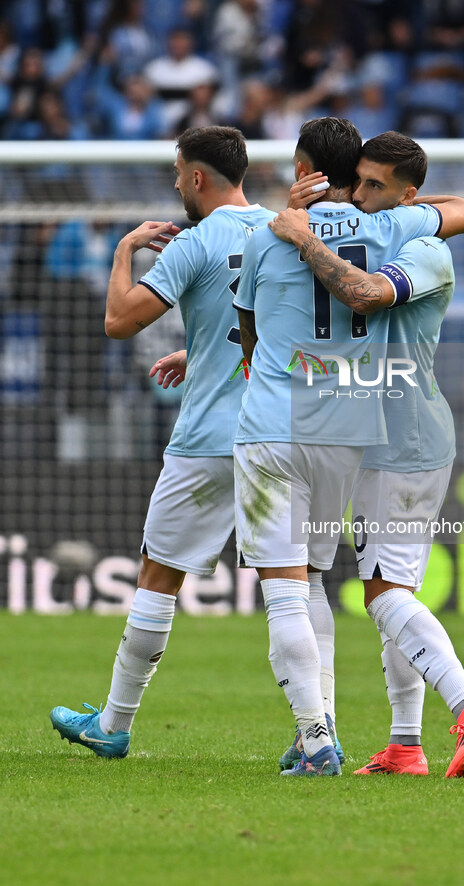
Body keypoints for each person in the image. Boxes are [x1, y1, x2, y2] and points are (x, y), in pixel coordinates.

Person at [232, 116, 464, 776]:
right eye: (362, 182)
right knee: (378, 588)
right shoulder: (400, 229)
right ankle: (404, 743)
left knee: (372, 593)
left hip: (392, 435)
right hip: (354, 432)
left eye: (379, 185)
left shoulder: (406, 244)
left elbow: (356, 296)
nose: (365, 194)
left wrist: (297, 229)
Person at [49, 126, 274, 757]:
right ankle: (318, 735)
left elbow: (119, 322)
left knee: (157, 577)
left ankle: (113, 726)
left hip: (208, 440)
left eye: (178, 173)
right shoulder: (284, 230)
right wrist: (199, 352)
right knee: (294, 583)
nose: (176, 184)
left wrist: (125, 250)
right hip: (282, 435)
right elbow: (275, 327)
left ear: (198, 177)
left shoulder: (193, 243)